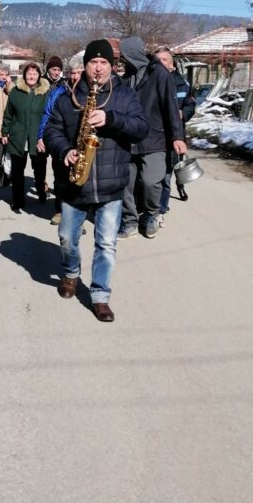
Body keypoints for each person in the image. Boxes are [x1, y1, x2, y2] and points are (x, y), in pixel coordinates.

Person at [44, 39, 148, 322]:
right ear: (85, 66)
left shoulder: (124, 95)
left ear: (111, 66)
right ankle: (71, 272)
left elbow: (140, 128)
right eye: (93, 63)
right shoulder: (68, 96)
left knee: (106, 244)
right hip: (74, 183)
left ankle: (100, 295)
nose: (98, 68)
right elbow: (52, 131)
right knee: (67, 237)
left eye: (103, 63)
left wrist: (112, 118)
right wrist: (65, 150)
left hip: (111, 185)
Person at [118, 36, 187, 239]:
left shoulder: (159, 74)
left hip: (155, 138)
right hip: (128, 139)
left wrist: (177, 136)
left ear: (133, 54)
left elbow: (171, 107)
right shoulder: (126, 78)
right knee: (125, 182)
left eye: (124, 56)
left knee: (150, 181)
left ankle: (151, 214)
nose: (123, 60)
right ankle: (129, 221)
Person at [38, 56, 83, 225]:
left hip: (80, 143)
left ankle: (76, 219)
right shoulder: (58, 92)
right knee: (60, 179)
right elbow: (47, 115)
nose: (75, 76)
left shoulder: (89, 92)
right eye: (73, 72)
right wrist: (41, 136)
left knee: (78, 181)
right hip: (60, 142)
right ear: (68, 74)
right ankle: (59, 210)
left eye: (79, 72)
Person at [154, 46, 196, 223]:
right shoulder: (149, 81)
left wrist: (181, 113)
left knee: (167, 174)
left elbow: (190, 106)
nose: (160, 63)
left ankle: (161, 209)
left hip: (174, 136)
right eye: (157, 60)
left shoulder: (182, 84)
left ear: (172, 65)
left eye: (163, 60)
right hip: (154, 136)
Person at [1, 61, 49, 213]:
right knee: (17, 172)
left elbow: (49, 116)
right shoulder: (16, 92)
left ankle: (42, 192)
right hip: (18, 137)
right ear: (24, 75)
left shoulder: (45, 93)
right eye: (29, 73)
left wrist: (47, 135)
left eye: (35, 73)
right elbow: (8, 114)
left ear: (39, 76)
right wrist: (4, 132)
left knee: (40, 171)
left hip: (38, 138)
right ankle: (17, 200)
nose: (32, 76)